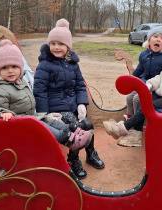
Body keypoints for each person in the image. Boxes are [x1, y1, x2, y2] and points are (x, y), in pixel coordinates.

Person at [0, 39, 93, 153]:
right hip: (15, 125)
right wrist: (1, 112)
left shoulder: (17, 82)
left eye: (14, 67)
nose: (10, 71)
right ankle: (69, 139)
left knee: (50, 121)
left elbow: (79, 85)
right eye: (5, 68)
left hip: (27, 118)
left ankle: (71, 131)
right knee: (43, 125)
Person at [33, 18, 104, 180]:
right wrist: (45, 115)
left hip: (72, 105)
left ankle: (90, 153)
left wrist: (81, 103)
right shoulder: (44, 65)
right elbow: (40, 91)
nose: (56, 47)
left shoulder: (72, 63)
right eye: (53, 44)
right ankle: (73, 160)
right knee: (76, 127)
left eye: (61, 44)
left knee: (87, 124)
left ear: (68, 46)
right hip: (56, 110)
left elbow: (80, 84)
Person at [123, 26, 162, 147]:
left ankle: (137, 130)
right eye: (155, 36)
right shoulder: (144, 54)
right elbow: (139, 71)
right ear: (149, 39)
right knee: (130, 97)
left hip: (157, 88)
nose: (158, 40)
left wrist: (149, 86)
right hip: (145, 84)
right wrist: (132, 81)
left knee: (137, 99)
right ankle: (130, 122)